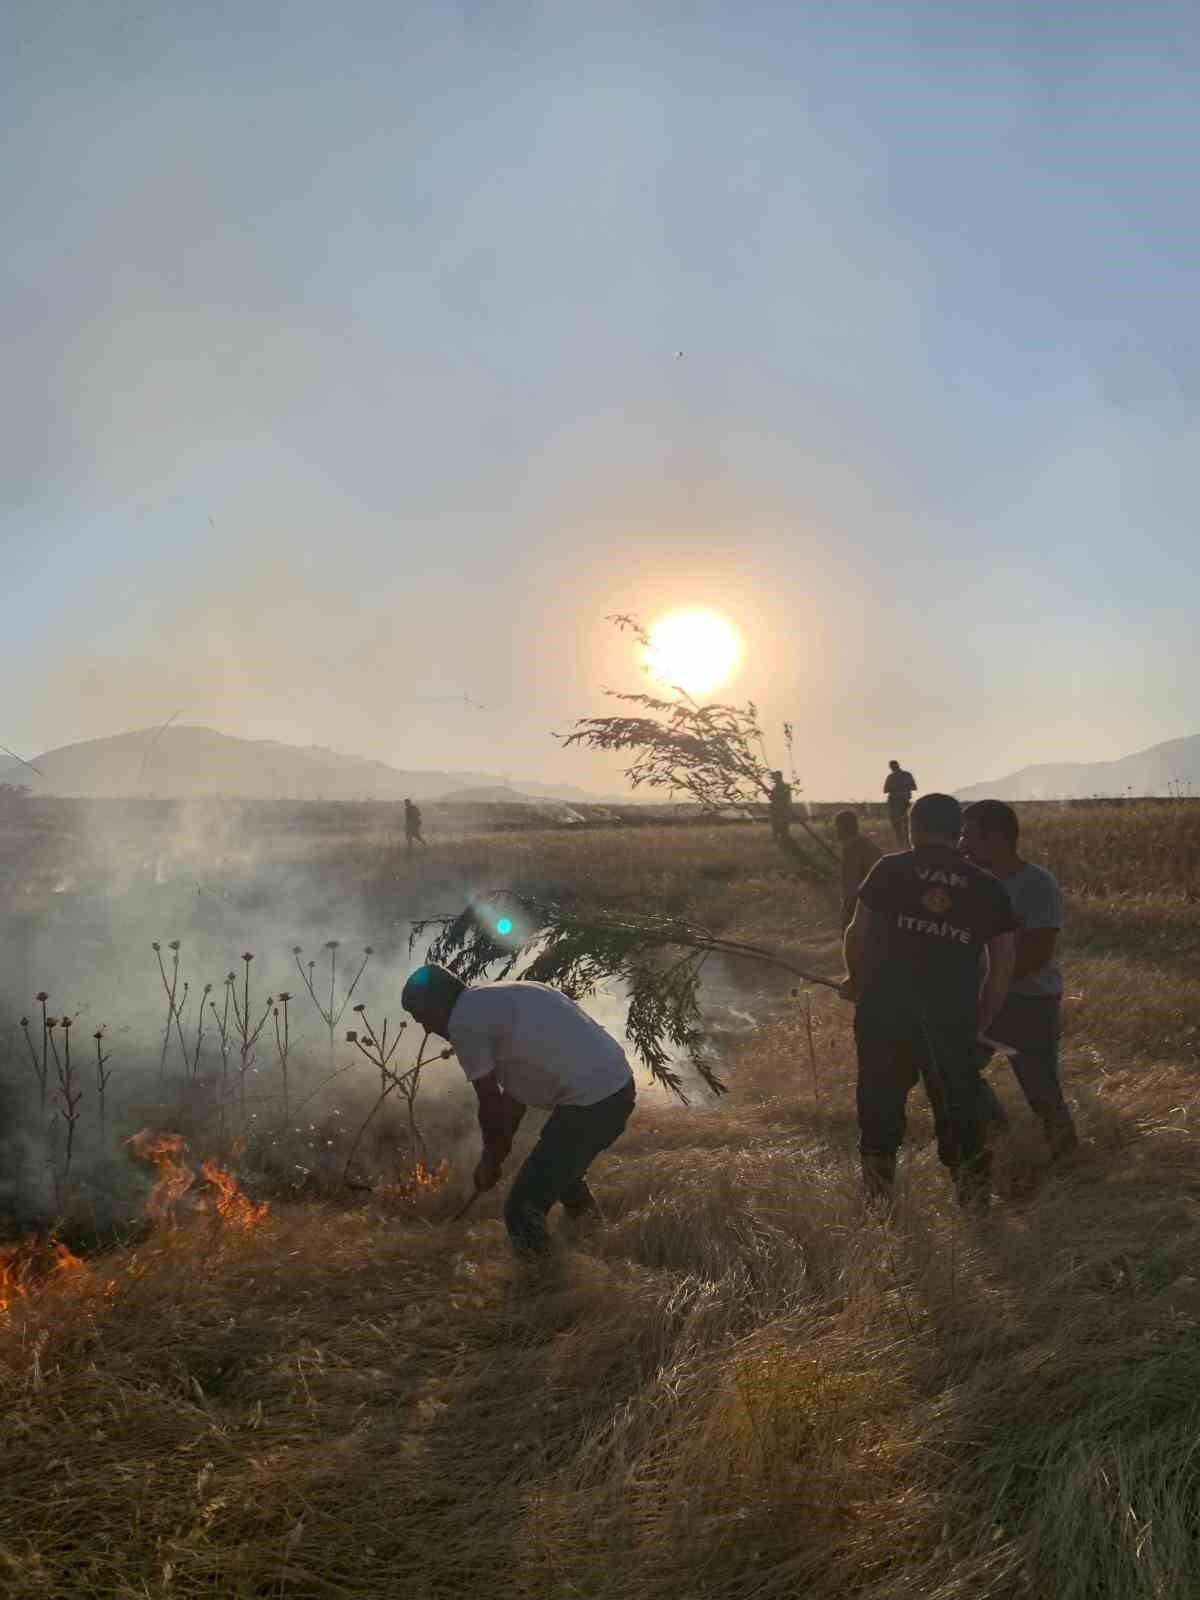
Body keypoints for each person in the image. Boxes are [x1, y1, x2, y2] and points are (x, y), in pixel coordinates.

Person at [840, 792, 1016, 1212]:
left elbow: (856, 932)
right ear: (959, 833)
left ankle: (880, 1211)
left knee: (878, 1114)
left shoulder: (889, 869)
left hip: (883, 1014)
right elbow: (1003, 965)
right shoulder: (986, 885)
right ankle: (977, 1214)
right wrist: (979, 1025)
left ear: (912, 828)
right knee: (960, 1119)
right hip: (951, 1022)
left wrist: (856, 979)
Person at [400, 964, 636, 1258]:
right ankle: (597, 1239)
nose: (427, 1028)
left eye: (423, 1017)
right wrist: (498, 1154)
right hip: (618, 1088)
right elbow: (514, 1097)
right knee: (561, 1173)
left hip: (592, 1105)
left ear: (437, 1004)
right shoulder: (500, 996)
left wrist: (489, 1159)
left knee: (522, 1211)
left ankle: (543, 1288)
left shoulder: (463, 1021)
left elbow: (490, 1102)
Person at [960, 800, 1078, 1158]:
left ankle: (1071, 1168)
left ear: (995, 838)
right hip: (983, 999)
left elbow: (1037, 953)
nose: (963, 844)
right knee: (957, 1071)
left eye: (970, 835)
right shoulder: (970, 881)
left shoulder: (1036, 884)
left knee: (1042, 1095)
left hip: (1028, 1005)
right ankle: (1003, 1141)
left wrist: (987, 983)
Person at [833, 809, 881, 929]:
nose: (836, 833)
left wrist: (847, 910)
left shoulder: (852, 849)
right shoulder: (868, 844)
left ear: (841, 828)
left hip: (860, 907)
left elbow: (852, 883)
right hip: (876, 905)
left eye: (836, 829)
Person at [883, 760, 918, 847]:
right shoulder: (907, 775)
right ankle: (905, 840)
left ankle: (901, 841)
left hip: (896, 803)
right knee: (905, 822)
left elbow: (885, 790)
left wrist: (896, 788)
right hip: (904, 802)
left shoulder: (891, 777)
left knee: (897, 823)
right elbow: (914, 787)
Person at [768, 771, 793, 845]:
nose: (774, 779)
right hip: (777, 808)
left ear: (779, 777)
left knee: (783, 824)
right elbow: (772, 798)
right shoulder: (776, 787)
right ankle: (779, 838)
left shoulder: (784, 786)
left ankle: (784, 838)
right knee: (776, 824)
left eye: (775, 777)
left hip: (782, 808)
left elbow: (787, 798)